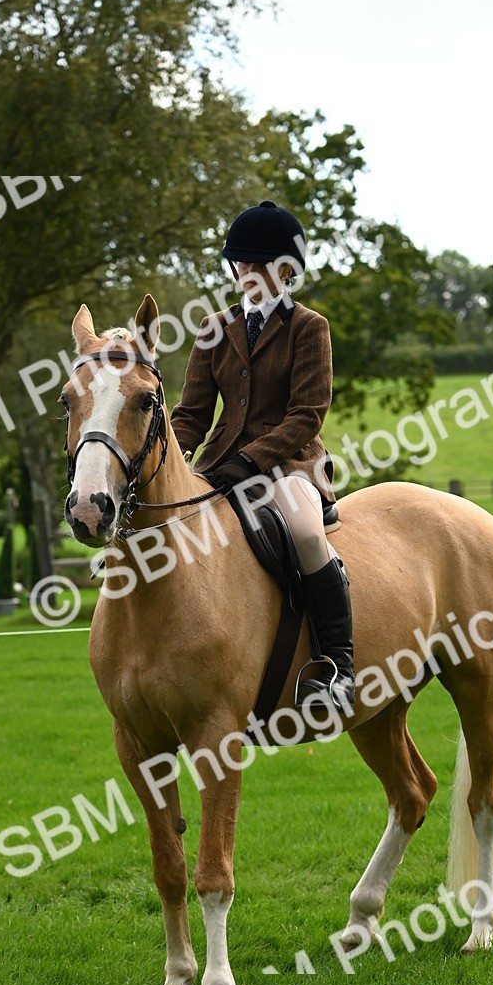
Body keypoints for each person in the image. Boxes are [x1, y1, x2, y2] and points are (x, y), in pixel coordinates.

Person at [170, 200, 355, 710]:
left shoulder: (308, 327)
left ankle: (338, 666)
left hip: (290, 463)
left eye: (259, 264)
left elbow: (307, 415)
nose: (246, 272)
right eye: (241, 263)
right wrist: (171, 460)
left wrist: (251, 460)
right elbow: (191, 414)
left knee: (305, 532)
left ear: (286, 269)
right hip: (220, 465)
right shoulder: (213, 328)